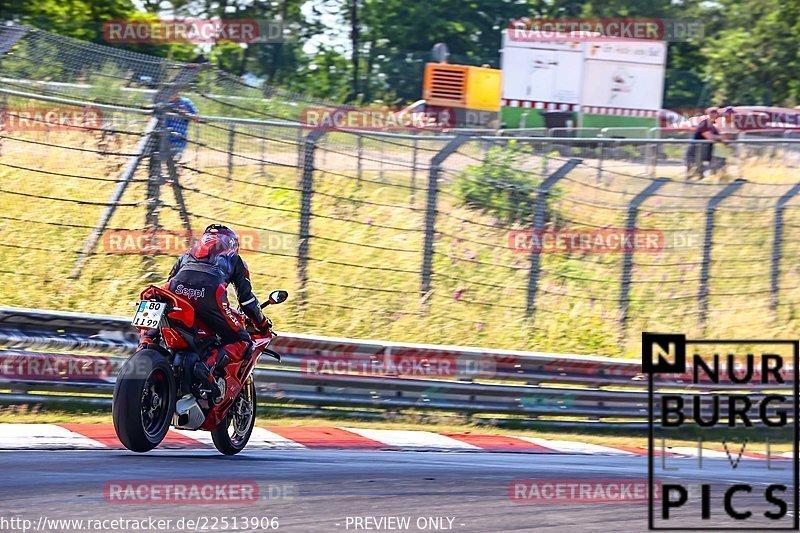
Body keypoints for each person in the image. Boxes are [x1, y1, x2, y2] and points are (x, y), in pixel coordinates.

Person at [138, 225, 271, 398]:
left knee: (160, 310)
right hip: (211, 295)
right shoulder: (235, 260)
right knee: (243, 341)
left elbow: (170, 281)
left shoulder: (186, 255)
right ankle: (207, 366)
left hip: (174, 291)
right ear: (232, 244)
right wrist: (261, 322)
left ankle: (145, 344)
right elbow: (246, 301)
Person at [686, 106, 733, 180]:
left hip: (705, 153)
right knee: (692, 173)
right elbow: (709, 136)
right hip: (695, 152)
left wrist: (724, 141)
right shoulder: (704, 124)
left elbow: (721, 137)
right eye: (712, 113)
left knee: (702, 173)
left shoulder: (713, 127)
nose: (714, 115)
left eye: (716, 113)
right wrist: (721, 138)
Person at [164, 93, 198, 161]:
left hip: (179, 138)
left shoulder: (186, 102)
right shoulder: (163, 102)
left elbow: (196, 118)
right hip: (162, 137)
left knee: (175, 161)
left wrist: (185, 114)